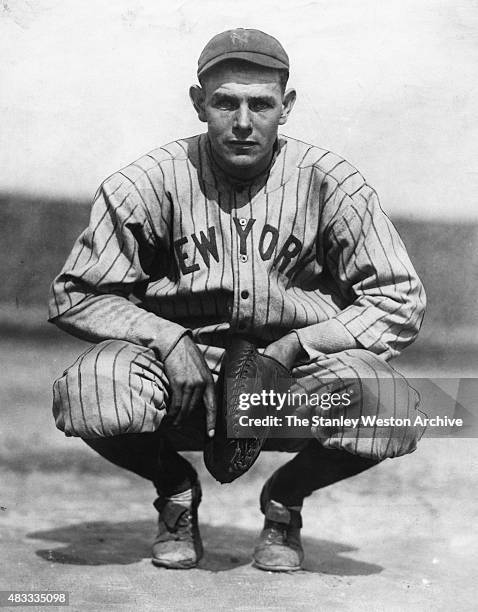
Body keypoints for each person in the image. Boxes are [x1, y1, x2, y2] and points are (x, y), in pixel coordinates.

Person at [48, 28, 426, 572]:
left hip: (292, 381)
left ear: (287, 106)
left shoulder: (334, 184)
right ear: (199, 103)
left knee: (397, 408)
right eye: (226, 102)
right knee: (91, 391)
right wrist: (165, 337)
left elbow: (401, 297)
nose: (244, 121)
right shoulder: (146, 182)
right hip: (180, 374)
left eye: (261, 103)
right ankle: (175, 488)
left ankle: (285, 500)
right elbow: (77, 291)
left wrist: (301, 344)